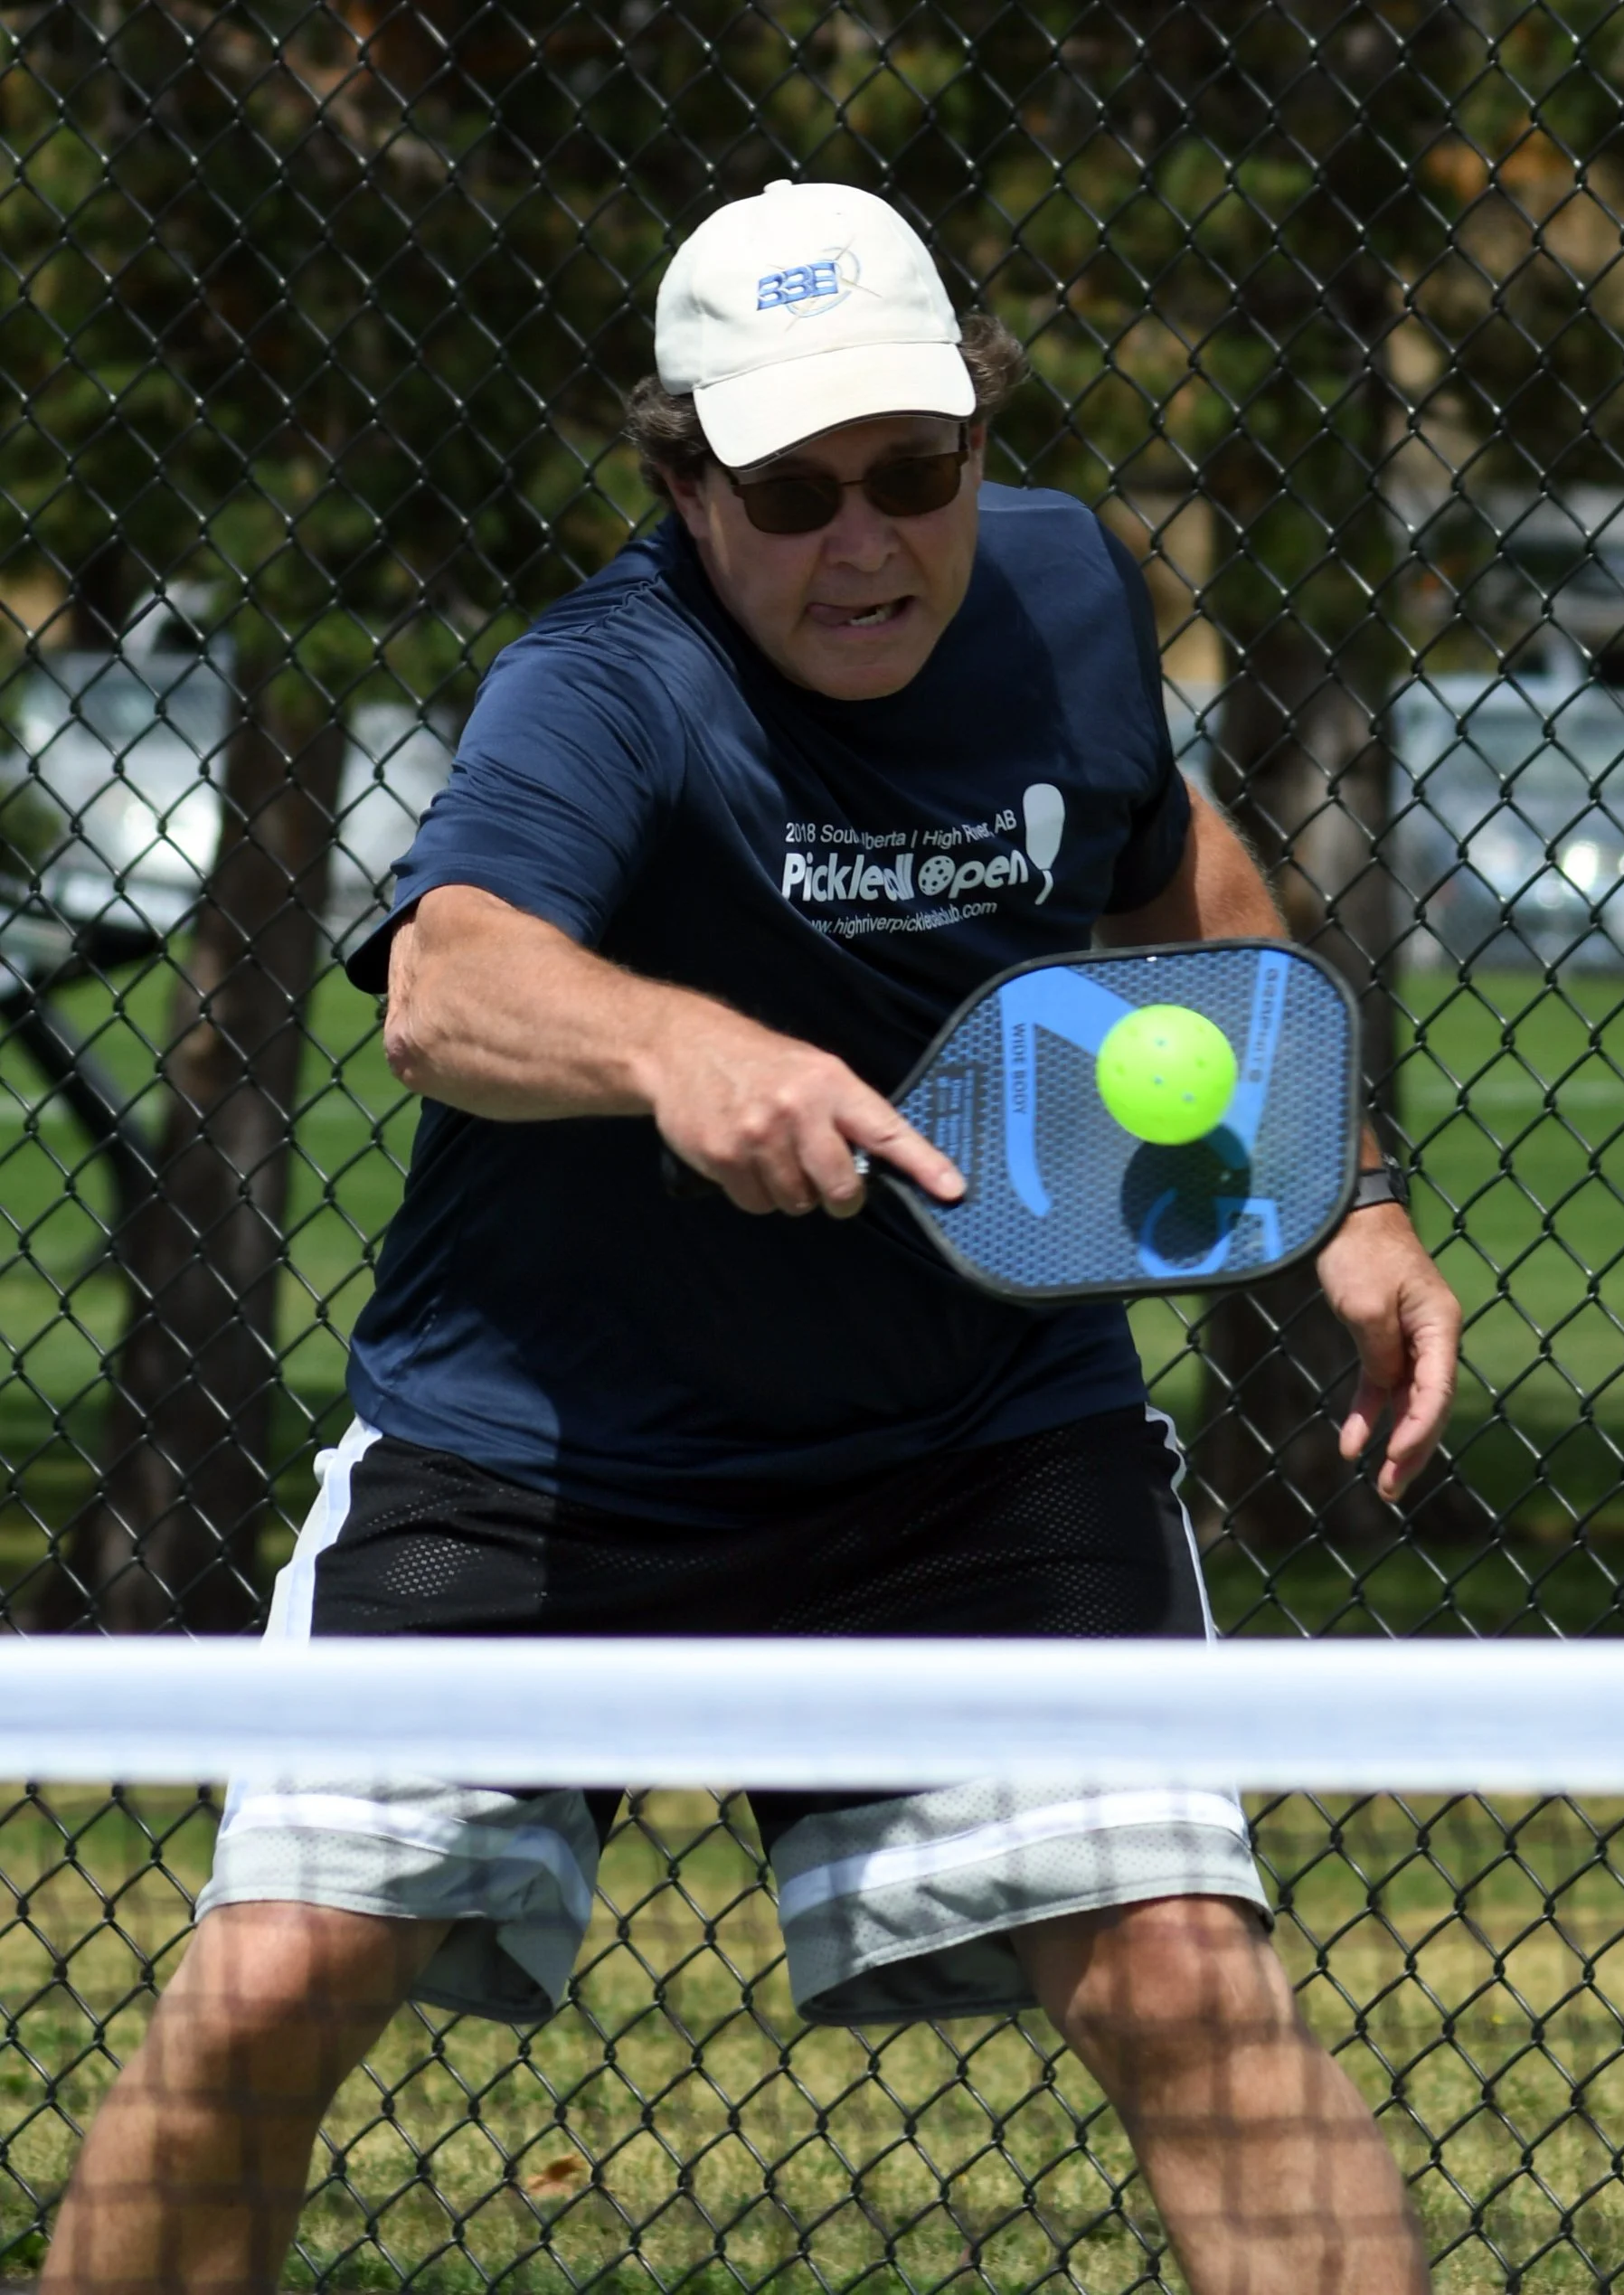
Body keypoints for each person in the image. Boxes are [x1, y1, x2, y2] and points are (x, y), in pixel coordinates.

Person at [44, 178, 1459, 2295]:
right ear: (685, 479)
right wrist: (680, 1050)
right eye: (793, 490)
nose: (865, 539)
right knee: (259, 2007)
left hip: (975, 1446)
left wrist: (1337, 1190)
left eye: (916, 470)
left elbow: (1185, 887)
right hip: (542, 1453)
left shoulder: (1067, 589)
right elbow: (447, 983)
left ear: (981, 436)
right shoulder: (604, 683)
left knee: (1192, 1994)